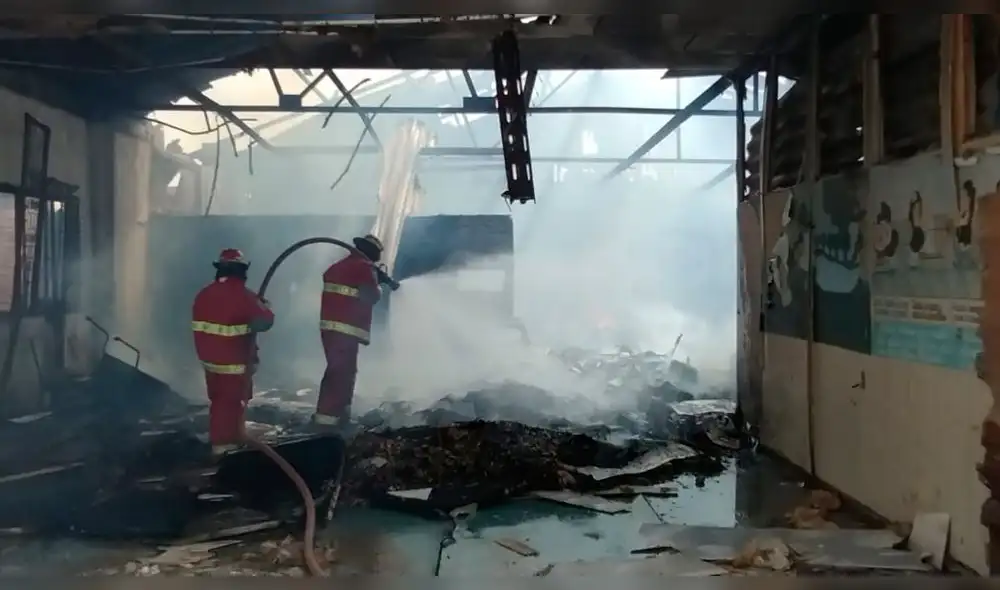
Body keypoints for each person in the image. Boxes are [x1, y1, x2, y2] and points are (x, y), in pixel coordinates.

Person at [192, 248, 274, 456]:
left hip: (209, 361)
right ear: (241, 271)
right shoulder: (244, 296)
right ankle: (224, 447)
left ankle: (231, 436)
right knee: (230, 402)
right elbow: (266, 321)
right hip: (234, 361)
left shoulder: (203, 294)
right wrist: (264, 306)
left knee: (219, 400)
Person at [315, 234, 384, 427]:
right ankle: (330, 419)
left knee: (338, 370)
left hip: (331, 328)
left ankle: (334, 415)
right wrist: (380, 286)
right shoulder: (364, 267)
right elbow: (371, 295)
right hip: (345, 330)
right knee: (342, 373)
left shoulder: (340, 266)